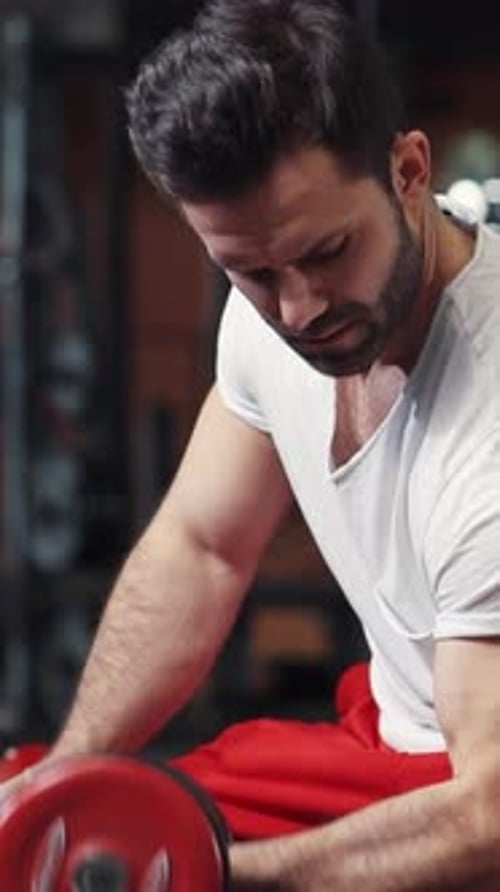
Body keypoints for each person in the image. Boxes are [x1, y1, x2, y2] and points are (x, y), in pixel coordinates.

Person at [8, 1, 500, 888]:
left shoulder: (489, 426)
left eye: (328, 253)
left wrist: (211, 875)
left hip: (470, 782)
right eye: (254, 272)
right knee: (49, 820)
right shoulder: (268, 318)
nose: (300, 308)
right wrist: (61, 783)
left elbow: (489, 813)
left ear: (411, 170)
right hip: (392, 740)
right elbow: (202, 549)